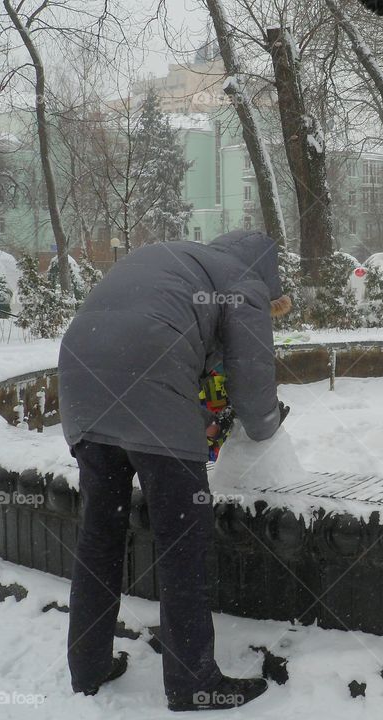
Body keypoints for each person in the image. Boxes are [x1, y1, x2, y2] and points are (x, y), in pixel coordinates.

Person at [59, 230, 292, 712]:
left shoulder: (172, 260)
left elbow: (166, 338)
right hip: (150, 389)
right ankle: (191, 682)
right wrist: (267, 427)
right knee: (183, 540)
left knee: (101, 534)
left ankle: (88, 666)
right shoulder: (244, 282)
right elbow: (253, 388)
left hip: (80, 382)